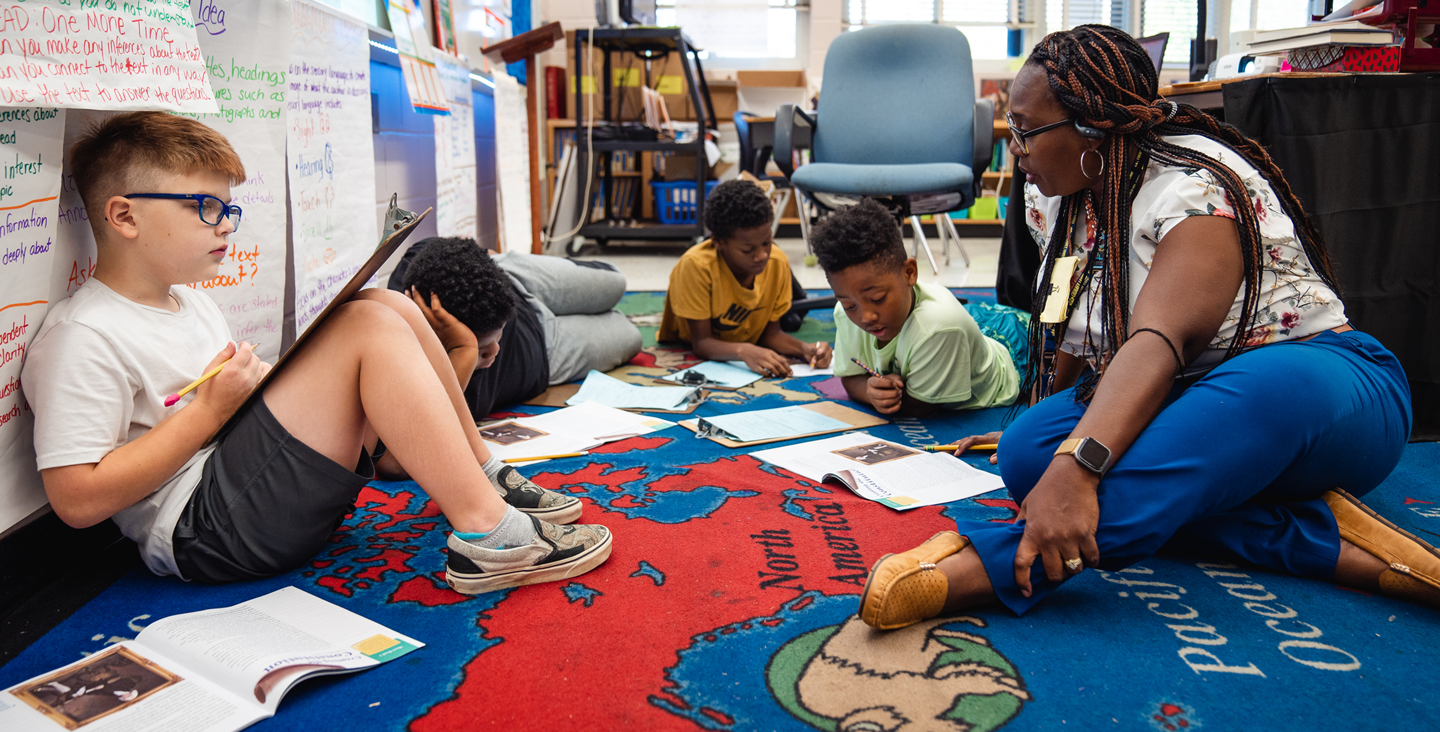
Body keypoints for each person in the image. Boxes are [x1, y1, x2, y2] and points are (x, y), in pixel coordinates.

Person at [857, 26, 1426, 629]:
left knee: (1234, 401)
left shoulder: (1196, 187)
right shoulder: (1053, 196)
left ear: (1092, 131)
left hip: (1320, 387)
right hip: (1190, 394)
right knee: (1027, 456)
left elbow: (1159, 341)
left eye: (1025, 130)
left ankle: (984, 567)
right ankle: (1323, 539)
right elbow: (1073, 324)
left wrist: (1078, 463)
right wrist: (1052, 440)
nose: (1014, 146)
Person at [23, 112, 611, 595]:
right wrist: (210, 410)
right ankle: (489, 535)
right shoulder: (84, 333)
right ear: (124, 215)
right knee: (365, 326)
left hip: (237, 492)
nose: (225, 225)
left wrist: (242, 399)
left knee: (387, 305)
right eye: (204, 208)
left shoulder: (190, 304)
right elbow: (76, 501)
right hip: (205, 534)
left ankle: (484, 475)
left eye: (228, 209)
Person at [386, 236, 642, 420]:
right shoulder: (429, 383)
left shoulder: (409, 283)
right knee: (630, 335)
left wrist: (483, 261)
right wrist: (464, 351)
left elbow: (424, 246)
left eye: (497, 338)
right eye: (482, 350)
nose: (495, 351)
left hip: (518, 282)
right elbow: (408, 451)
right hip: (546, 348)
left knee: (615, 282)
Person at [812, 198, 1020, 416]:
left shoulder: (939, 327)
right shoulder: (845, 315)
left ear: (909, 272)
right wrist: (869, 391)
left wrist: (890, 396)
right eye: (849, 305)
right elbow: (850, 377)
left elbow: (923, 405)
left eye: (877, 298)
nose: (866, 317)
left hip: (1013, 360)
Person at [658, 179, 832, 376]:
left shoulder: (776, 261)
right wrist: (744, 351)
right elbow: (701, 343)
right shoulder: (695, 266)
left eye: (767, 242)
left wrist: (804, 349)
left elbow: (771, 335)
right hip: (689, 344)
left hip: (746, 338)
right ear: (717, 241)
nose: (762, 255)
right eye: (748, 249)